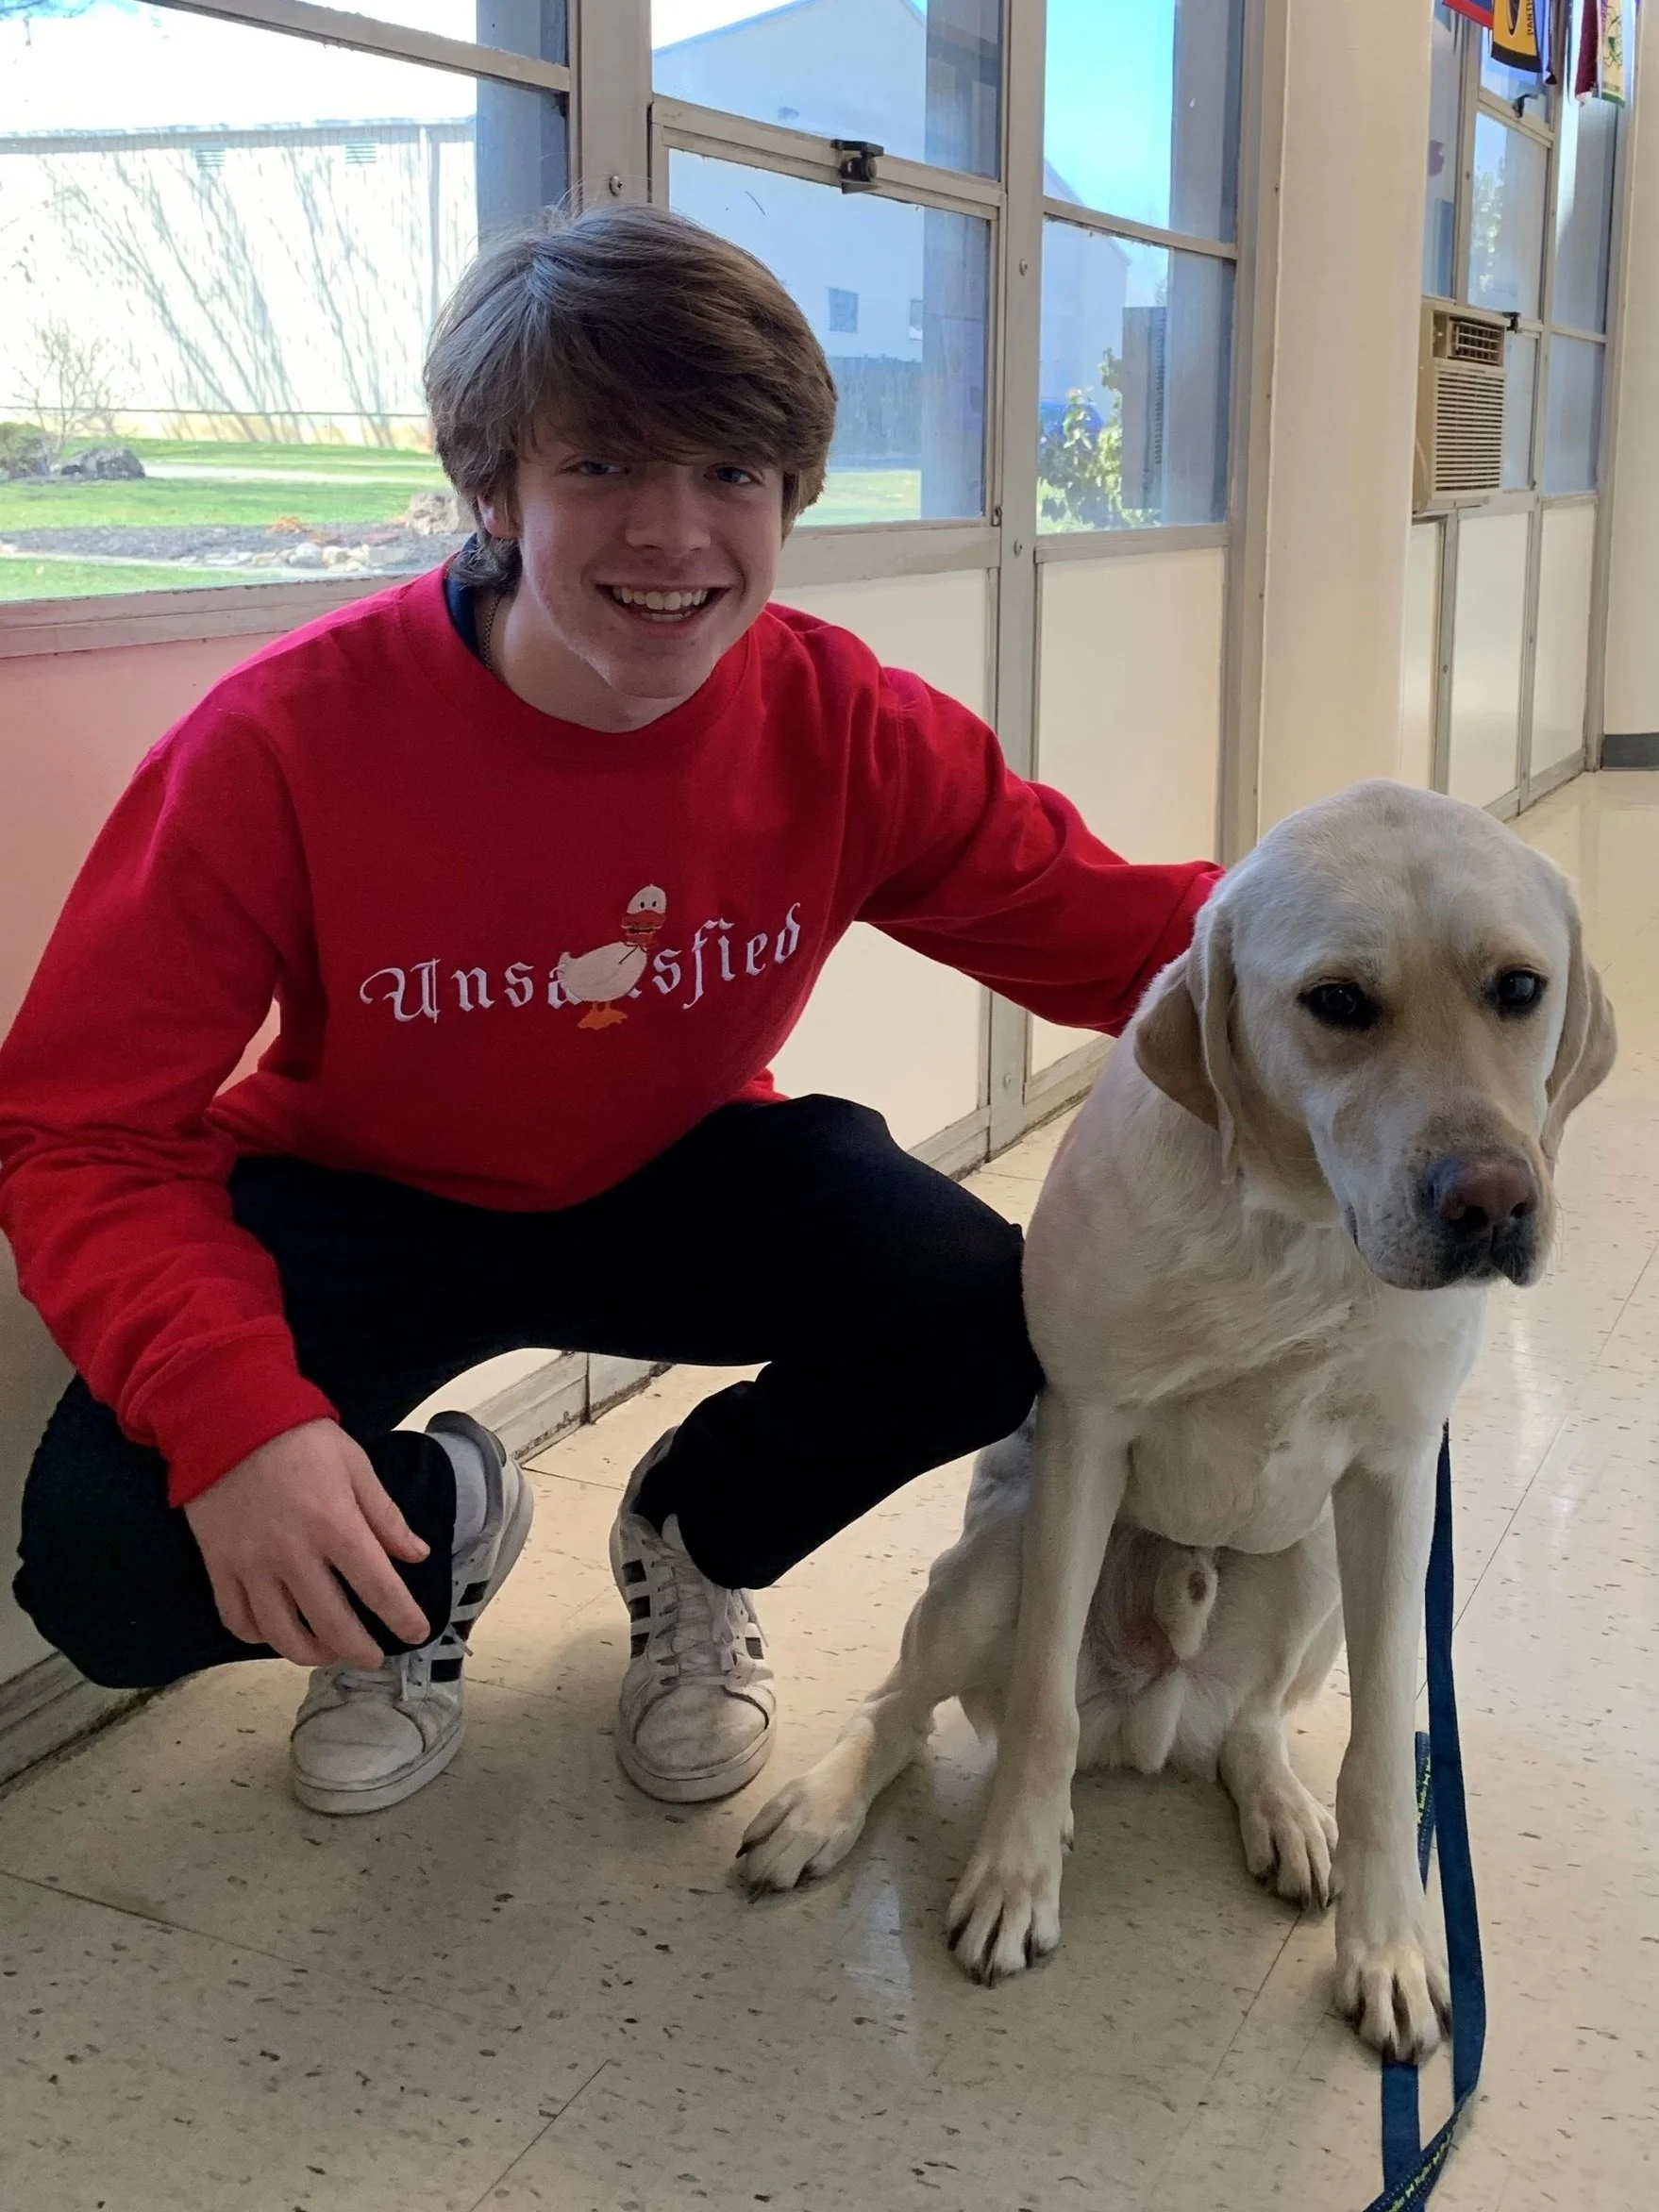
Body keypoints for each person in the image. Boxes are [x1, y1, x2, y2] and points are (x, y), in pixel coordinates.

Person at [0, 207, 1220, 1820]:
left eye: (729, 473)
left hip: (675, 1157)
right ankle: (442, 1529)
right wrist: (246, 1435)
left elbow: (1107, 939)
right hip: (363, 1188)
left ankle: (692, 1537)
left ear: (789, 496)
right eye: (602, 469)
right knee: (111, 1578)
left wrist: (1397, 918)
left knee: (978, 1314)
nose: (674, 533)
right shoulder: (282, 744)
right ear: (493, 488)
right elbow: (79, 1127)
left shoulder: (843, 722)